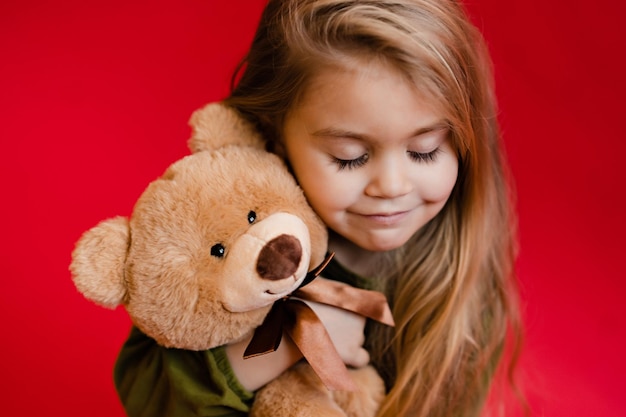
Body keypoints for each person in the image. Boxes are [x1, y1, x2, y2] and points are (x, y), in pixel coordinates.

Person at [114, 1, 524, 416]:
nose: (393, 186)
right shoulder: (233, 237)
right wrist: (287, 345)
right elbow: (146, 394)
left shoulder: (460, 282)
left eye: (425, 151)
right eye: (349, 157)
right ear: (274, 136)